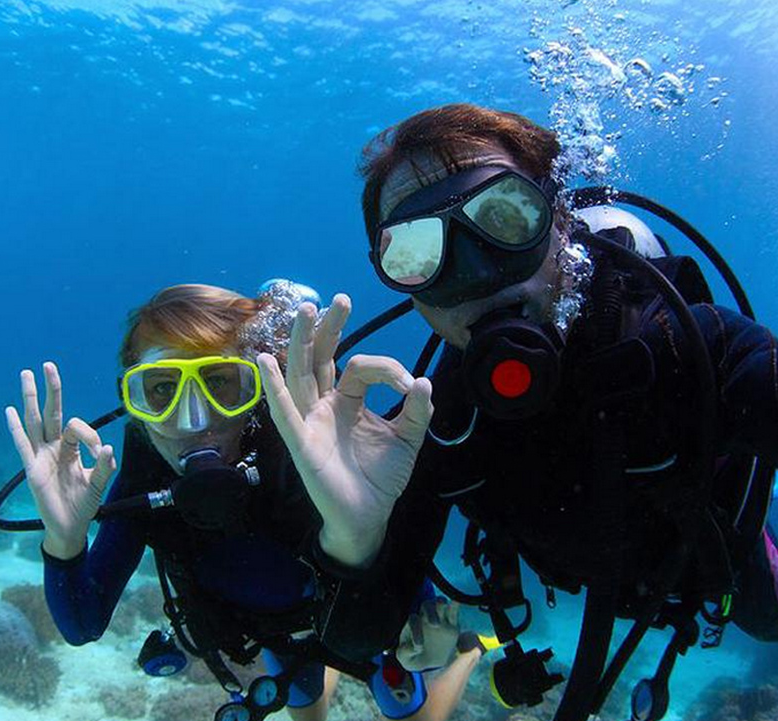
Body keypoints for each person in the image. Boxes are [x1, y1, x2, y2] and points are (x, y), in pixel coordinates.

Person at [256, 104, 778, 721]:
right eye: (419, 253)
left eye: (505, 219)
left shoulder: (683, 344)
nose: (477, 275)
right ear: (407, 290)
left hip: (713, 568)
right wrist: (355, 537)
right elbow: (357, 638)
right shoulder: (432, 424)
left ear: (559, 222)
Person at [4, 281, 485, 721]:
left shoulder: (302, 449)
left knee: (411, 715)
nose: (193, 421)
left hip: (358, 609)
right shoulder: (144, 473)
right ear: (136, 405)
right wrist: (64, 541)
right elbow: (82, 623)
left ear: (255, 388)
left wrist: (420, 609)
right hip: (275, 635)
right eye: (161, 391)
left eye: (219, 383)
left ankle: (472, 652)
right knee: (305, 710)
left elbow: (383, 538)